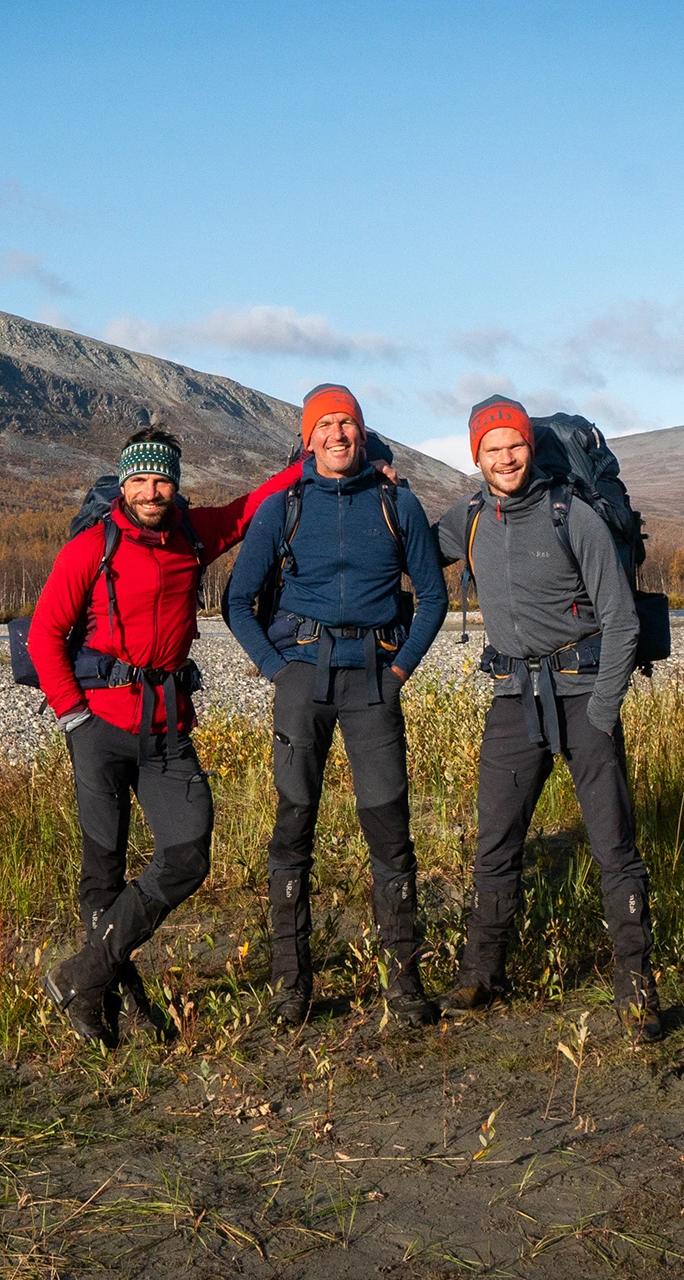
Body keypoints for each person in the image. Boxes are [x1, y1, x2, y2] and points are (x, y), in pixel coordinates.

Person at [31, 424, 306, 1047]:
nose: (151, 491)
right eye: (141, 480)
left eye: (161, 481)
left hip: (167, 730)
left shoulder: (191, 534)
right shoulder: (91, 548)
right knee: (103, 870)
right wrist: (73, 716)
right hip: (98, 728)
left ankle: (80, 976)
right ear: (124, 484)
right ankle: (114, 1002)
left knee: (188, 853)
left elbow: (246, 511)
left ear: (175, 486)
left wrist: (306, 464)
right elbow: (46, 633)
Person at [432, 395, 664, 1043]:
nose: (505, 458)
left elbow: (621, 621)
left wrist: (604, 710)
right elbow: (410, 549)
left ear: (530, 447)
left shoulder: (574, 516)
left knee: (614, 847)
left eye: (514, 445)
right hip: (513, 699)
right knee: (495, 844)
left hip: (584, 694)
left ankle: (638, 990)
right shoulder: (469, 520)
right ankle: (481, 975)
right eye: (491, 449)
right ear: (475, 456)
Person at [224, 384, 450, 1027]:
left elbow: (431, 596)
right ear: (308, 439)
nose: (337, 434)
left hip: (375, 680)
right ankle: (290, 985)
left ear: (362, 432)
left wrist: (400, 668)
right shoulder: (283, 508)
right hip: (303, 679)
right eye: (323, 425)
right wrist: (278, 671)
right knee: (293, 829)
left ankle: (403, 982)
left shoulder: (398, 504)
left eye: (346, 423)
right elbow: (237, 602)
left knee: (390, 828)